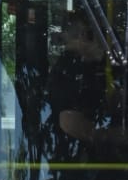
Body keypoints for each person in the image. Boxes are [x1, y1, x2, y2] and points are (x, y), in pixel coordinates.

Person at [46, 14, 109, 160]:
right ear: (83, 36)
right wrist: (107, 135)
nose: (104, 44)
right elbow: (66, 121)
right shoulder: (68, 69)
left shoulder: (88, 66)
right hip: (74, 160)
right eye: (98, 36)